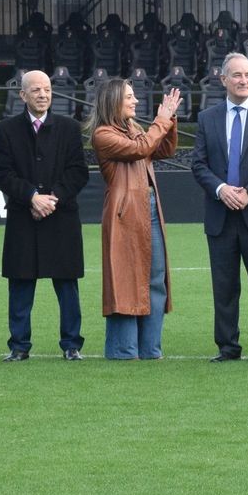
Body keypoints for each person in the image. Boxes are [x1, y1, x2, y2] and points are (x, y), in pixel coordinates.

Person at [190, 52, 248, 362]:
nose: (244, 81)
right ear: (223, 80)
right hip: (220, 217)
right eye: (237, 75)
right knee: (224, 287)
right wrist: (221, 189)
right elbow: (199, 164)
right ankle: (227, 347)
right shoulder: (207, 117)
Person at [0, 69, 90, 361]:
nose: (43, 95)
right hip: (24, 217)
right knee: (20, 283)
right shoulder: (7, 129)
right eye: (36, 90)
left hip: (62, 218)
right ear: (23, 95)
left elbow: (78, 172)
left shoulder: (70, 128)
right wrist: (32, 197)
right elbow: (2, 172)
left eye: (47, 89)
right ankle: (19, 346)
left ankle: (71, 345)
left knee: (67, 283)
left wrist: (52, 199)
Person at [91, 78, 183, 359]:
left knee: (155, 279)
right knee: (125, 280)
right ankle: (123, 350)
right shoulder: (103, 134)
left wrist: (170, 120)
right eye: (129, 97)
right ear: (113, 101)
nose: (135, 101)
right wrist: (161, 120)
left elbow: (163, 150)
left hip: (149, 209)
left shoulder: (135, 129)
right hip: (125, 213)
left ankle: (150, 349)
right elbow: (140, 149)